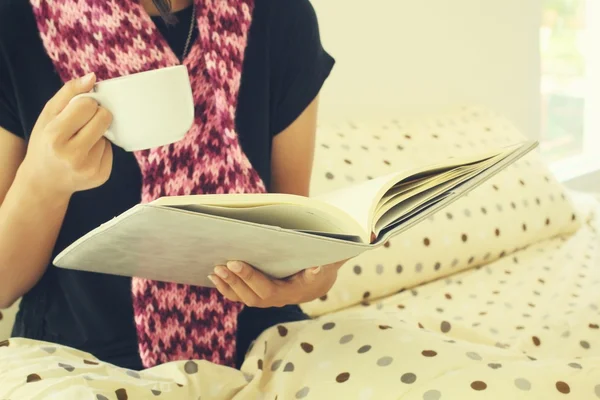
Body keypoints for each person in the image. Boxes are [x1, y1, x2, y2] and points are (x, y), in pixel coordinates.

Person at [0, 0, 342, 370]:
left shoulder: (280, 14)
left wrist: (310, 278)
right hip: (80, 363)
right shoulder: (13, 22)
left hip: (264, 354)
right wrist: (43, 180)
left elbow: (294, 237)